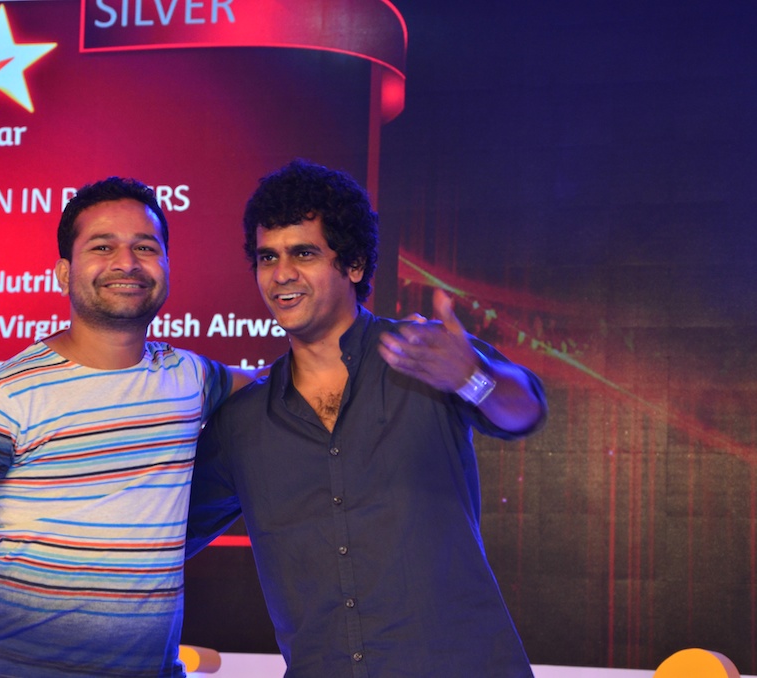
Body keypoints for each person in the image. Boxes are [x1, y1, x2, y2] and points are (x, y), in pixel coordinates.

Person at [0, 177, 258, 678]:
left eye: (145, 247)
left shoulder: (188, 377)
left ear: (166, 266)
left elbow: (278, 384)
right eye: (102, 247)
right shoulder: (4, 396)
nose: (127, 262)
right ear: (64, 273)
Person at [186, 159, 548, 677]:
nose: (282, 274)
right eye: (268, 257)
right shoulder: (243, 422)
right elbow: (163, 535)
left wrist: (473, 377)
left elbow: (525, 411)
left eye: (304, 253)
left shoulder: (422, 354)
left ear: (354, 264)